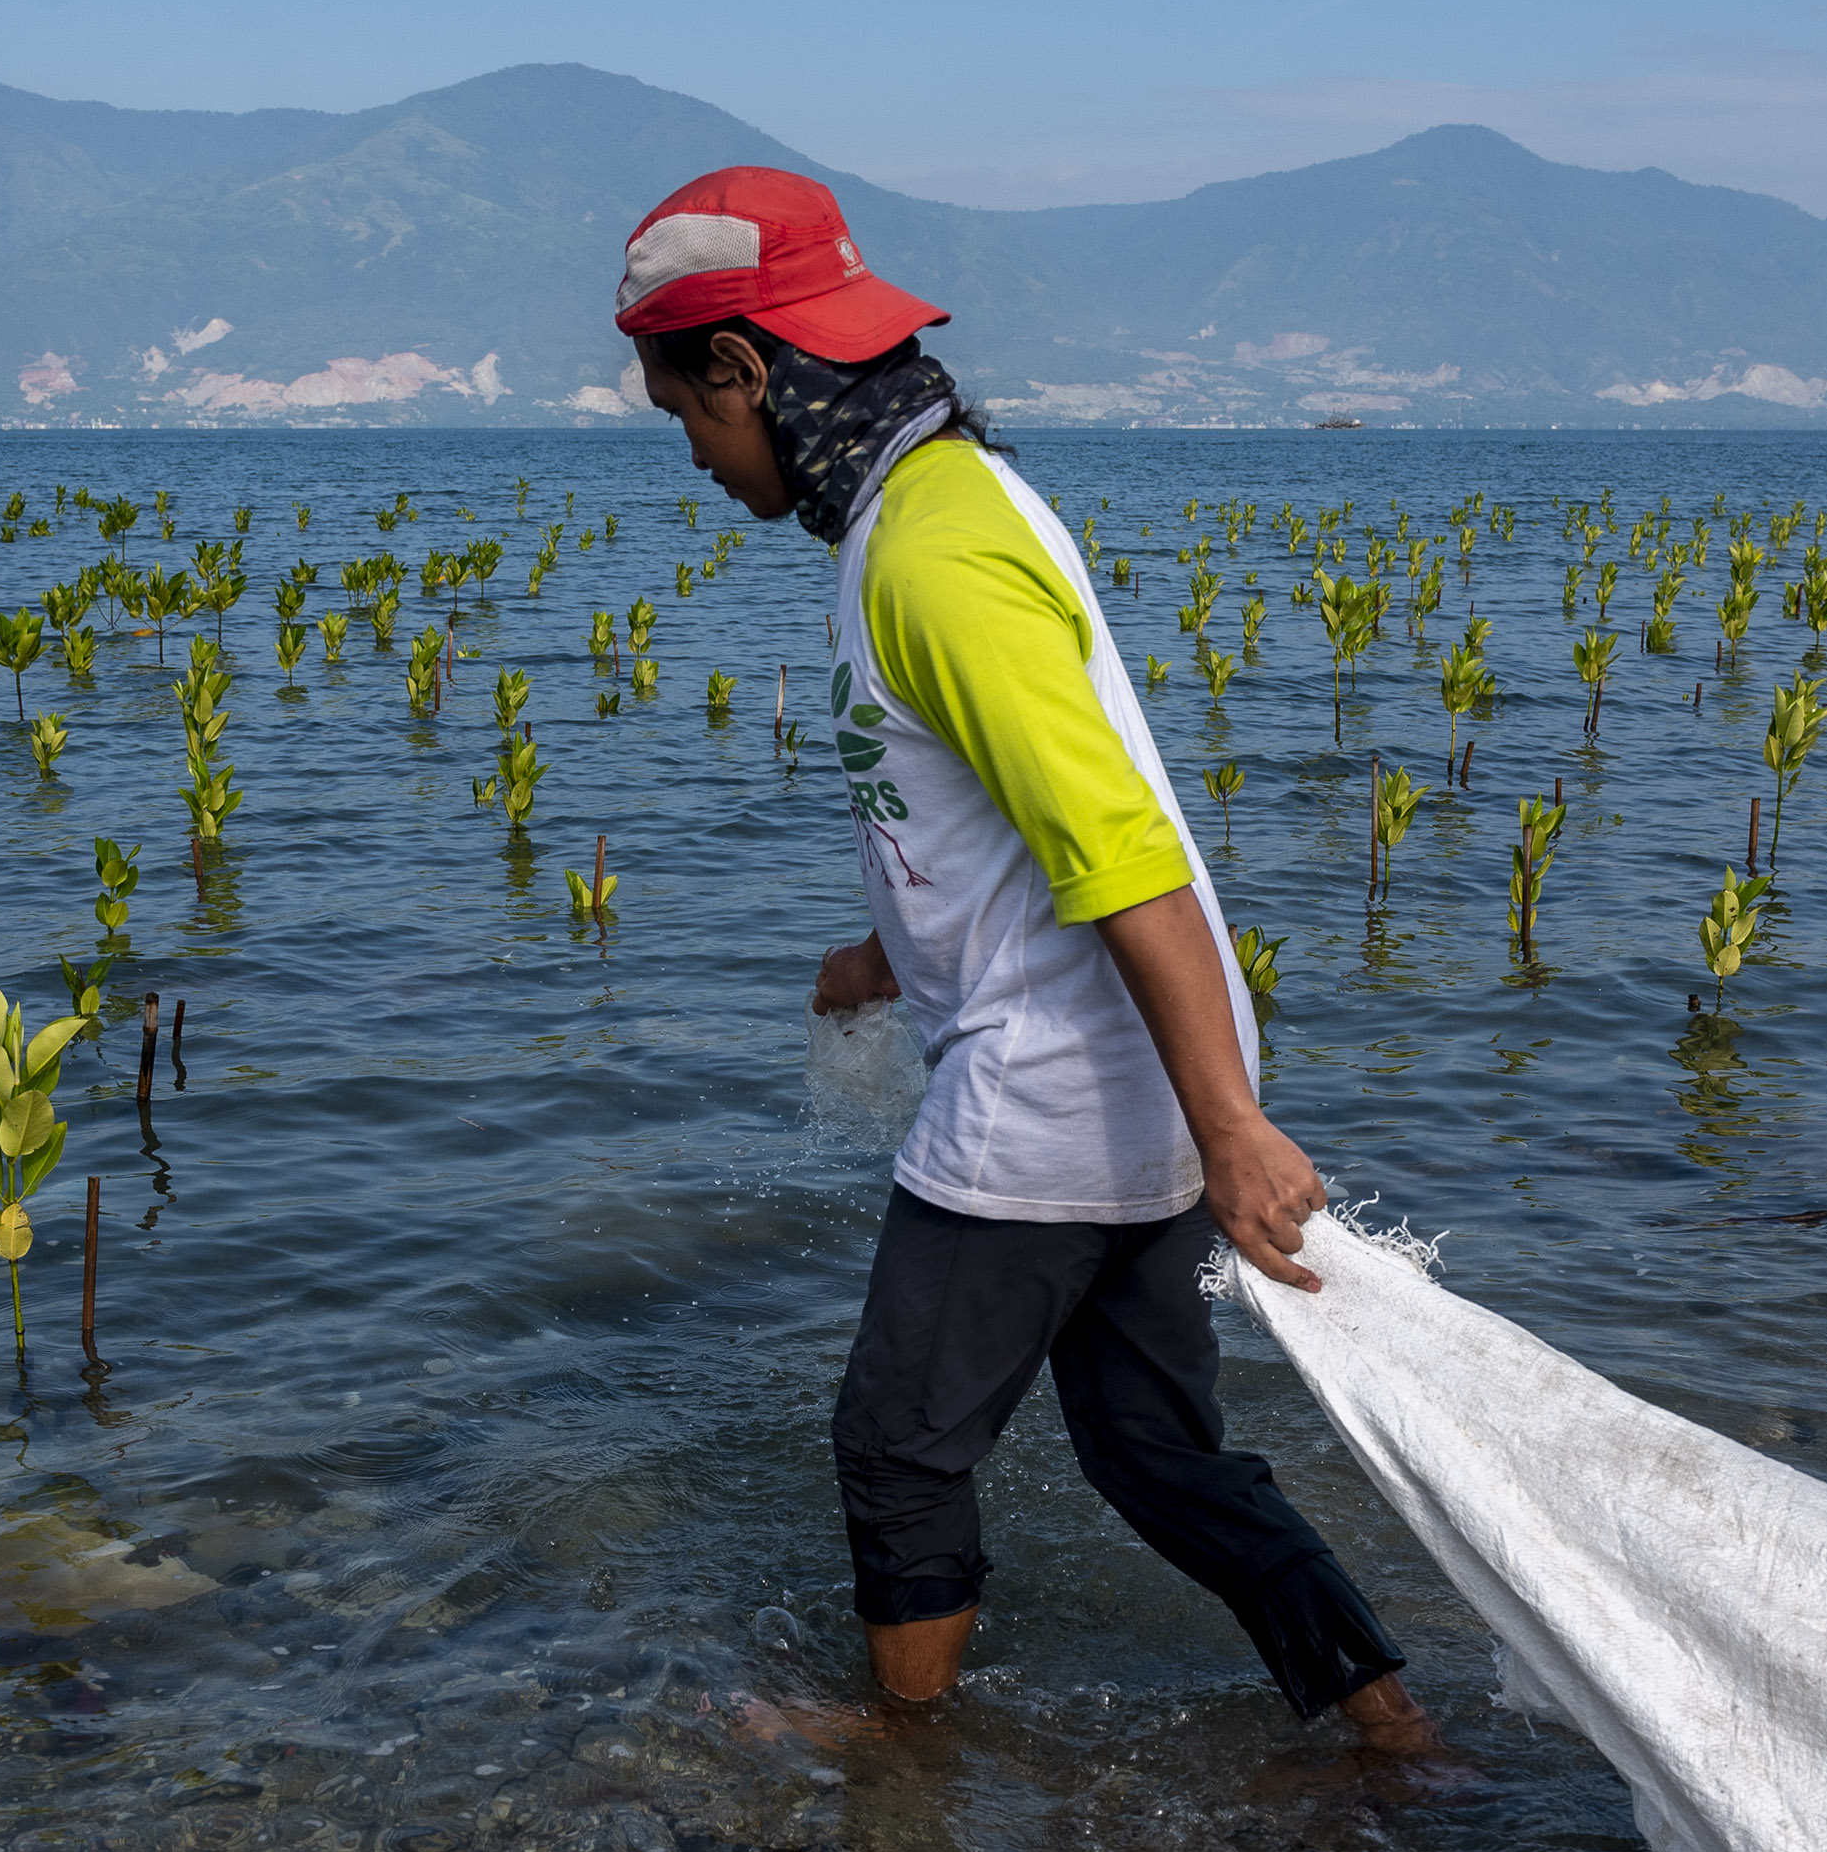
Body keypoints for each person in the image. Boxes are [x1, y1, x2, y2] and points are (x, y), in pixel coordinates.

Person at [615, 166, 1454, 1765]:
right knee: (1156, 1454)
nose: (699, 460)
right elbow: (1000, 821)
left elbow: (1118, 846)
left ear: (748, 370)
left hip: (1060, 1087)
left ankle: (903, 1745)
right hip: (1135, 1075)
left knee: (896, 1439)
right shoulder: (940, 504)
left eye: (688, 418)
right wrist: (887, 955)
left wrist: (1229, 1132)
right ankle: (1392, 1731)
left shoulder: (930, 556)